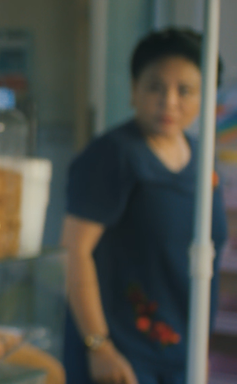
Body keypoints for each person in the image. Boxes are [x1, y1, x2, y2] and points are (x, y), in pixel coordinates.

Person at [62, 28, 228, 384]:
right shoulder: (114, 155)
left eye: (185, 90)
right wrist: (99, 346)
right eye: (155, 87)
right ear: (134, 89)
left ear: (206, 97)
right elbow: (74, 250)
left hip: (180, 353)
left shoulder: (203, 160)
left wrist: (200, 348)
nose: (169, 101)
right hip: (121, 356)